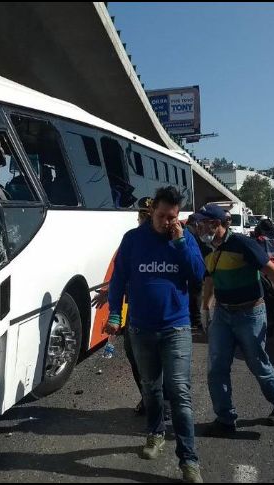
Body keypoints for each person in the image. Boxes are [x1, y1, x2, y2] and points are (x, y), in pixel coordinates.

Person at [105, 186, 205, 483]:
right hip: (140, 328)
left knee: (179, 393)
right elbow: (119, 277)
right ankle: (155, 433)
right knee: (150, 387)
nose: (166, 222)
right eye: (162, 216)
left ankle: (189, 460)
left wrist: (180, 243)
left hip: (176, 327)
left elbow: (197, 275)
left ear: (178, 215)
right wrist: (114, 312)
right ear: (152, 212)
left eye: (172, 217)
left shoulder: (185, 238)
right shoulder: (133, 239)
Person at [193, 205, 274, 434]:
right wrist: (205, 308)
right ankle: (225, 418)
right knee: (216, 367)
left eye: (203, 223)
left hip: (250, 313)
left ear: (217, 224)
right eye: (199, 223)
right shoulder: (208, 248)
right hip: (223, 314)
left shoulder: (243, 244)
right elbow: (210, 279)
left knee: (257, 363)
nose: (199, 227)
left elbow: (271, 270)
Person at [93, 197, 171, 418]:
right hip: (136, 316)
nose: (143, 219)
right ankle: (148, 399)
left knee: (160, 363)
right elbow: (123, 275)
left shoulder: (167, 241)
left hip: (162, 315)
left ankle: (162, 405)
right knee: (136, 359)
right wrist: (111, 295)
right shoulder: (133, 240)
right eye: (141, 215)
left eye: (147, 215)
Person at [185, 215, 212, 332]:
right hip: (196, 267)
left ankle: (194, 320)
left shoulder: (186, 232)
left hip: (190, 267)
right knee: (196, 293)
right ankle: (196, 321)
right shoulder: (192, 234)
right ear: (196, 224)